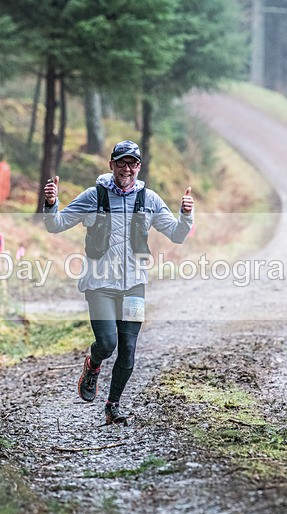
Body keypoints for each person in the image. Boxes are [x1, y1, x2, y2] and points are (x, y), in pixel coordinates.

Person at [42, 140, 194, 424]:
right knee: (108, 342)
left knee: (129, 349)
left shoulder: (149, 199)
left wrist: (186, 215)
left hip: (134, 285)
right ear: (111, 165)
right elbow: (56, 225)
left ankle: (113, 405)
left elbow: (176, 235)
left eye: (132, 163)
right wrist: (51, 204)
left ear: (139, 167)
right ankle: (93, 364)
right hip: (99, 284)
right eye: (121, 162)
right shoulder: (93, 196)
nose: (127, 168)